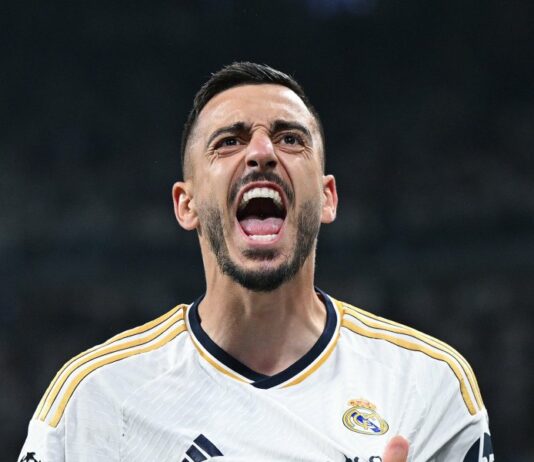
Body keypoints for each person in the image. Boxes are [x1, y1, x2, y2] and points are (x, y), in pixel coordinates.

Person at [19, 62, 492, 462]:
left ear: (327, 198)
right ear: (186, 205)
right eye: (229, 141)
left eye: (289, 139)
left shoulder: (428, 384)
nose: (262, 153)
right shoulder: (95, 400)